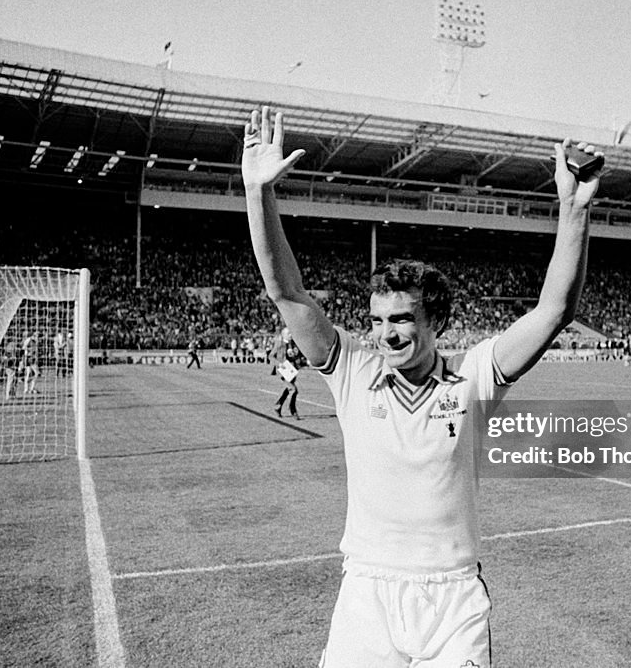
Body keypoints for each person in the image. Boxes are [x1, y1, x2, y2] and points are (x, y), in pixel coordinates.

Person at [242, 106, 602, 667]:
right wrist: (257, 193)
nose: (386, 334)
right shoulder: (351, 373)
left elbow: (554, 311)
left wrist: (573, 210)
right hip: (366, 590)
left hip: (452, 596)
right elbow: (287, 293)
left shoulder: (474, 376)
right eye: (379, 321)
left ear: (437, 322)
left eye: (402, 320)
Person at [270, 328, 303, 419]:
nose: (291, 335)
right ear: (283, 335)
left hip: (292, 370)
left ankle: (277, 407)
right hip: (283, 370)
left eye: (291, 333)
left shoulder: (293, 344)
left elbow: (297, 355)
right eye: (289, 333)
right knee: (293, 389)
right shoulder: (279, 344)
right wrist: (279, 364)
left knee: (287, 390)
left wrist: (298, 360)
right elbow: (271, 356)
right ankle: (293, 411)